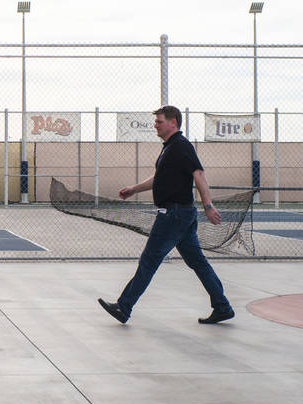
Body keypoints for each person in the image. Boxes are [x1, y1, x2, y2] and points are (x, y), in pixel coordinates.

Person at [98, 106, 235, 325]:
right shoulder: (170, 148)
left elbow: (198, 174)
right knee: (198, 263)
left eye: (159, 121)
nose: (156, 125)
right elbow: (158, 179)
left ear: (173, 122)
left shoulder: (181, 146)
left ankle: (124, 307)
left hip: (173, 215)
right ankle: (222, 306)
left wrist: (208, 205)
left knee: (149, 261)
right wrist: (134, 189)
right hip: (181, 215)